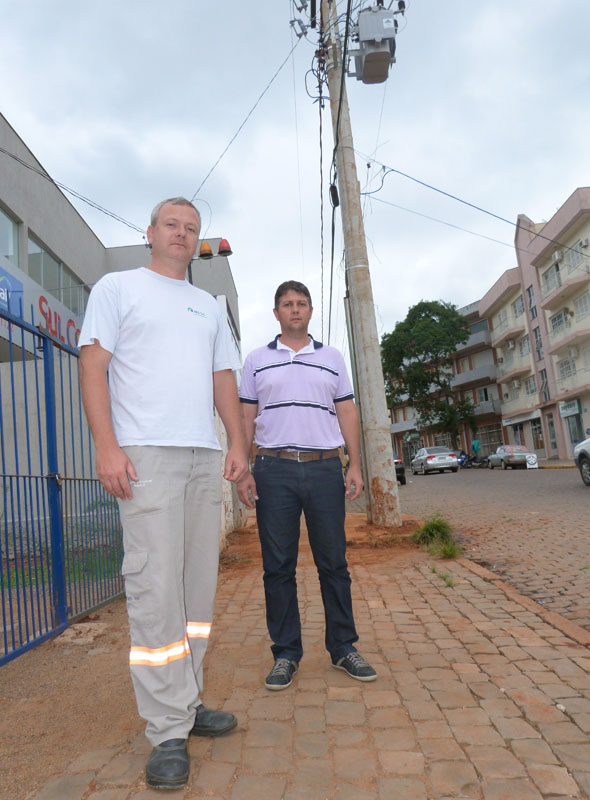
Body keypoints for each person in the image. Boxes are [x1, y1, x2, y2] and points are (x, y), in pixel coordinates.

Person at [78, 197, 247, 790]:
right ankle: (166, 730)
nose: (181, 234)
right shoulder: (117, 288)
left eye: (191, 229)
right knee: (154, 590)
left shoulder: (209, 306)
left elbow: (222, 378)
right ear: (150, 233)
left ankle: (188, 699)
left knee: (194, 588)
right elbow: (93, 367)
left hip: (203, 456)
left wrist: (238, 446)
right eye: (171, 225)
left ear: (198, 241)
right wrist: (107, 447)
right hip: (145, 455)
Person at [236, 280, 377, 690]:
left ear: (311, 311)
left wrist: (355, 463)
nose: (295, 310)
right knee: (277, 567)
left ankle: (343, 647)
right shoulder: (257, 360)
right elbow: (247, 418)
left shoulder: (331, 358)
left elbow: (347, 410)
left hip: (323, 469)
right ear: (276, 312)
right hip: (273, 470)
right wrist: (245, 469)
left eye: (301, 303)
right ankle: (285, 654)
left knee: (333, 563)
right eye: (287, 304)